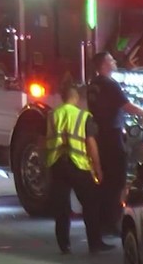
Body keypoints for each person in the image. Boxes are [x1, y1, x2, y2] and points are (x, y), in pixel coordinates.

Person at [87, 52, 143, 236]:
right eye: (111, 60)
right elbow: (127, 106)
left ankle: (102, 222)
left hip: (100, 138)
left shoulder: (94, 85)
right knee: (117, 181)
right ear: (104, 65)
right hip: (113, 138)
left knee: (105, 181)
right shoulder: (110, 84)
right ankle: (112, 223)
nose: (114, 61)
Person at [47, 83, 113, 254]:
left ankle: (64, 245)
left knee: (62, 207)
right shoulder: (83, 116)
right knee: (90, 204)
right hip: (78, 164)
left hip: (57, 164)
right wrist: (97, 167)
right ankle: (95, 243)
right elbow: (90, 143)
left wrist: (44, 163)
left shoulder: (53, 115)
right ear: (76, 98)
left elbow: (43, 141)